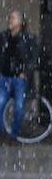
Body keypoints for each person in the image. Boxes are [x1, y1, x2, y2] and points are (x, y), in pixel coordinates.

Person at [0, 11, 38, 140]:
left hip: (19, 78)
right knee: (0, 103)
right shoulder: (4, 36)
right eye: (9, 17)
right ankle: (2, 134)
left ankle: (14, 135)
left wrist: (25, 73)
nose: (10, 20)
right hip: (6, 76)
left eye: (13, 18)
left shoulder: (28, 38)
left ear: (20, 22)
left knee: (19, 107)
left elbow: (33, 58)